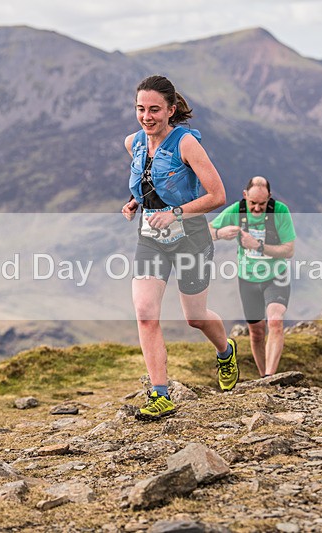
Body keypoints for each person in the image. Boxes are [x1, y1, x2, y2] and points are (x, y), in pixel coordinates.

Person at [121, 75, 238, 421]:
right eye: (141, 109)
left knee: (195, 318)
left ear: (171, 110)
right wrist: (134, 202)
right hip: (151, 239)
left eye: (155, 109)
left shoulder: (186, 144)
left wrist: (176, 214)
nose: (147, 116)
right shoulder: (134, 143)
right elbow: (149, 181)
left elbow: (217, 196)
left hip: (191, 238)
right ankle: (160, 394)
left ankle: (225, 351)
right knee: (145, 313)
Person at [210, 176, 296, 378]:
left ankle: (270, 376)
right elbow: (207, 231)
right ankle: (263, 377)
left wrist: (257, 246)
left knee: (275, 321)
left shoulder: (280, 211)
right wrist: (221, 233)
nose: (257, 209)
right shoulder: (237, 210)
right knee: (256, 332)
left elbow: (289, 250)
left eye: (262, 204)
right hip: (247, 279)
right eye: (253, 203)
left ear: (270, 198)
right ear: (245, 195)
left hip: (276, 276)